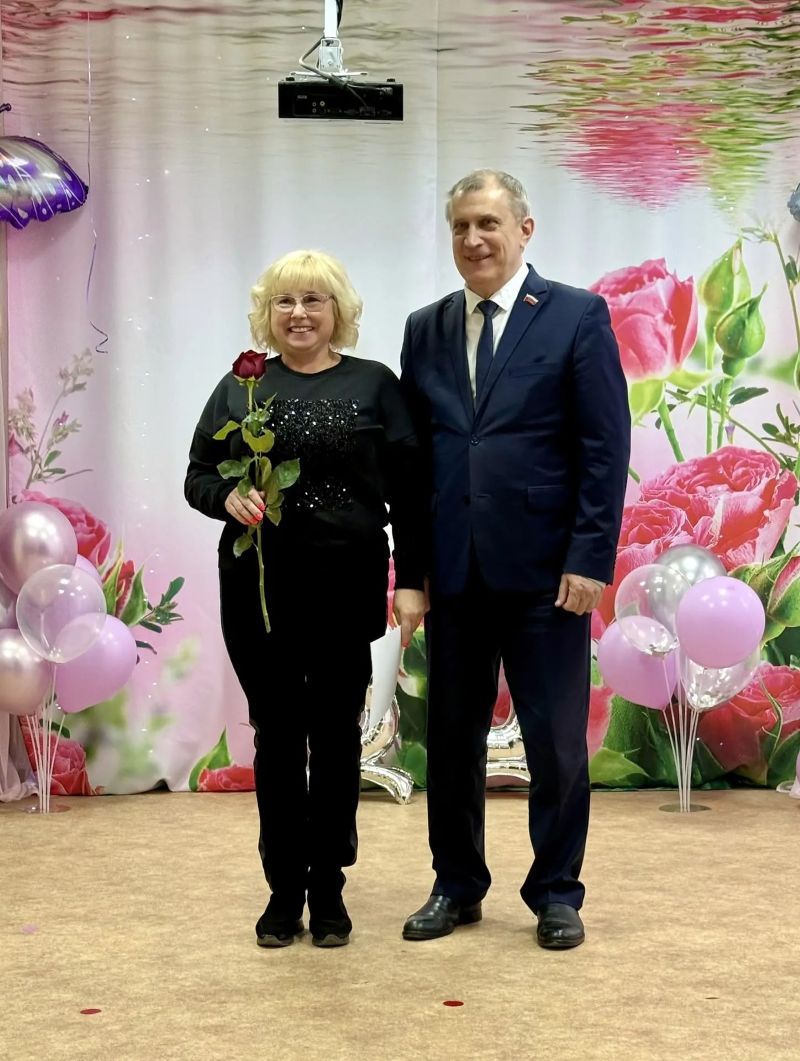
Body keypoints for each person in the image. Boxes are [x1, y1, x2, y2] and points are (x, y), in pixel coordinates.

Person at [400, 170, 630, 949]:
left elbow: (604, 448)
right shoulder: (425, 328)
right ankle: (456, 884)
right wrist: (412, 572)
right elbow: (416, 462)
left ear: (524, 229)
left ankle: (557, 891)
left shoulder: (576, 315)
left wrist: (590, 557)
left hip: (548, 576)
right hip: (454, 574)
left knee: (556, 745)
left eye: (489, 223)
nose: (474, 239)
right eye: (461, 226)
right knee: (451, 744)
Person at [185, 250, 427, 949]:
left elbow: (413, 495)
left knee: (336, 737)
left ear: (337, 311)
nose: (298, 314)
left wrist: (412, 579)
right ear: (268, 313)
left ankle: (329, 887)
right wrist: (226, 496)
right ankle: (284, 887)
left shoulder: (375, 385)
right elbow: (198, 475)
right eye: (285, 301)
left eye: (314, 300)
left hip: (346, 587)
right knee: (279, 738)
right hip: (260, 592)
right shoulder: (241, 388)